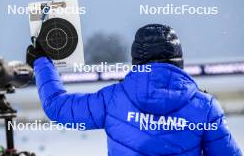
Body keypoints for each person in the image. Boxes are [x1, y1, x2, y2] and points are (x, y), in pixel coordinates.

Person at [26, 24, 242, 156]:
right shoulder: (205, 107)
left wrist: (42, 64)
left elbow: (57, 107)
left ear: (136, 60)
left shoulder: (113, 99)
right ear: (179, 61)